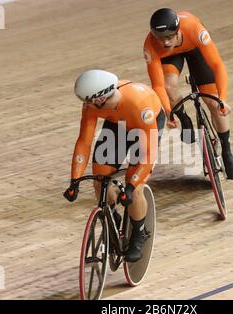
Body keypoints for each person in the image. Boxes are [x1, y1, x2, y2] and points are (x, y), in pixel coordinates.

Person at [63, 69, 165, 262]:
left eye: (89, 102)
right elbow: (84, 142)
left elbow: (148, 153)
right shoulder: (92, 104)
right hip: (117, 125)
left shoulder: (139, 104)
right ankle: (113, 218)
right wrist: (74, 179)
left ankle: (138, 234)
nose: (87, 105)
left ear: (100, 98)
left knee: (134, 190)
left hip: (145, 126)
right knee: (100, 180)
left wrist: (132, 184)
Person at [143, 8, 233, 179]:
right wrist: (168, 111)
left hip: (195, 48)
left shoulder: (195, 29)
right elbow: (157, 85)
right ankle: (184, 118)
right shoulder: (151, 44)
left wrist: (223, 98)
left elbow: (217, 65)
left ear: (178, 31)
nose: (165, 43)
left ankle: (226, 149)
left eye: (169, 37)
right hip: (170, 57)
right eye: (160, 38)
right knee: (168, 86)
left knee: (214, 103)